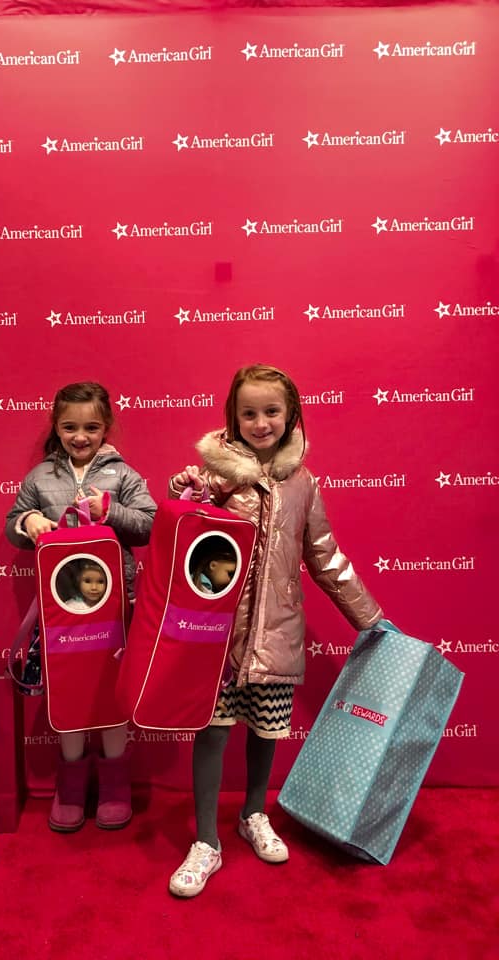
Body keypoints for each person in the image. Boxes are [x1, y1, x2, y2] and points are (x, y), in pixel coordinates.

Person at [167, 364, 382, 897]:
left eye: (271, 411)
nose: (260, 422)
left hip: (279, 632)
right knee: (212, 732)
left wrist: (370, 618)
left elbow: (324, 555)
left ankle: (253, 813)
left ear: (291, 417)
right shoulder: (215, 477)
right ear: (232, 418)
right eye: (248, 412)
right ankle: (206, 842)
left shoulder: (303, 483)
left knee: (267, 731)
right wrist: (187, 493)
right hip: (217, 634)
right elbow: (180, 530)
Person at [5, 381, 156, 832]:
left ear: (106, 426)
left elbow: (148, 524)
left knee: (110, 693)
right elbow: (14, 524)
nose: (80, 436)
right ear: (56, 426)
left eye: (91, 426)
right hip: (60, 611)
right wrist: (27, 520)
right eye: (70, 427)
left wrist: (109, 510)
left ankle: (113, 782)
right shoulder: (40, 477)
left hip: (113, 608)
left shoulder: (122, 474)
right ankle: (70, 782)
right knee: (69, 692)